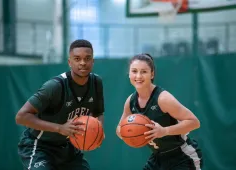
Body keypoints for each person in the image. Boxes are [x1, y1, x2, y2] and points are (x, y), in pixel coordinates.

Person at [16, 39, 105, 170]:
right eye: (77, 58)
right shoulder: (55, 86)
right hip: (39, 145)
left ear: (93, 61)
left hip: (67, 147)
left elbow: (98, 113)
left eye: (87, 58)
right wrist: (59, 128)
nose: (83, 63)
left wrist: (97, 130)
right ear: (69, 62)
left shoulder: (96, 82)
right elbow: (21, 116)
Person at [116, 53, 202, 170]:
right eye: (134, 71)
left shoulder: (162, 98)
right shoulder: (131, 101)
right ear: (129, 74)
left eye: (144, 72)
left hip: (182, 155)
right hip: (158, 157)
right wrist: (129, 133)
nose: (138, 76)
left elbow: (194, 122)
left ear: (152, 74)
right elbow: (120, 129)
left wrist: (165, 131)